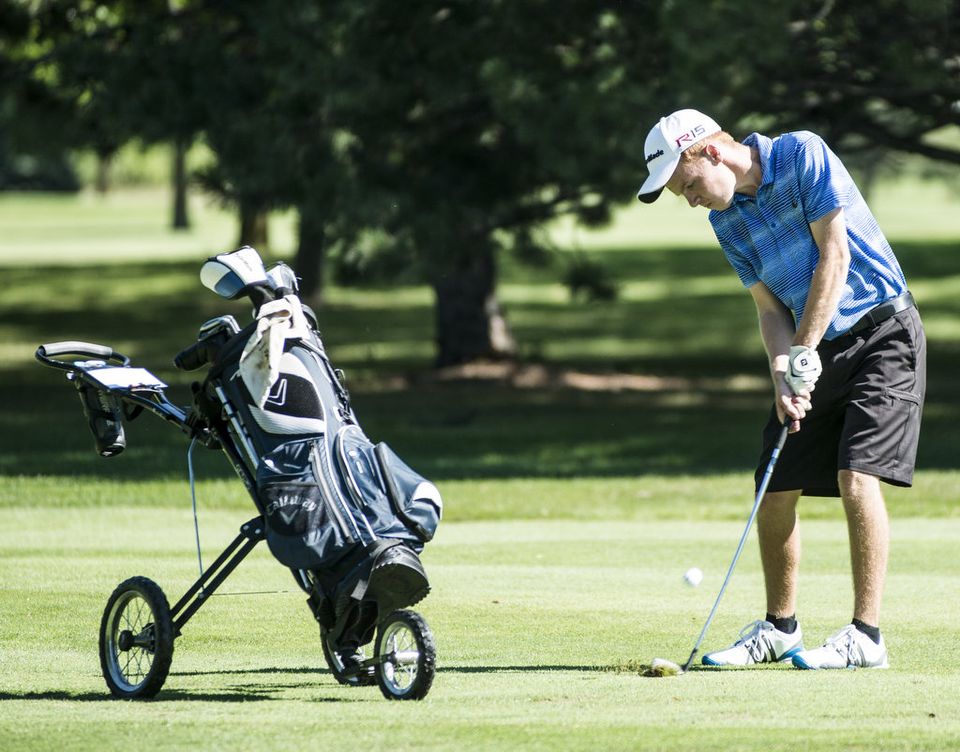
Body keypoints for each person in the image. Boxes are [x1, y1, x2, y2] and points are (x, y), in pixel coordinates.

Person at [637, 109, 926, 669]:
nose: (690, 200)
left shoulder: (801, 154)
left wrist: (802, 353)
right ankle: (780, 628)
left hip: (882, 331)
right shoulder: (726, 220)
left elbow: (834, 257)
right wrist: (782, 375)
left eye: (689, 185)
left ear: (711, 152)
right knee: (775, 483)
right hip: (810, 349)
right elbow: (769, 307)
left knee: (856, 473)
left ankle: (867, 637)